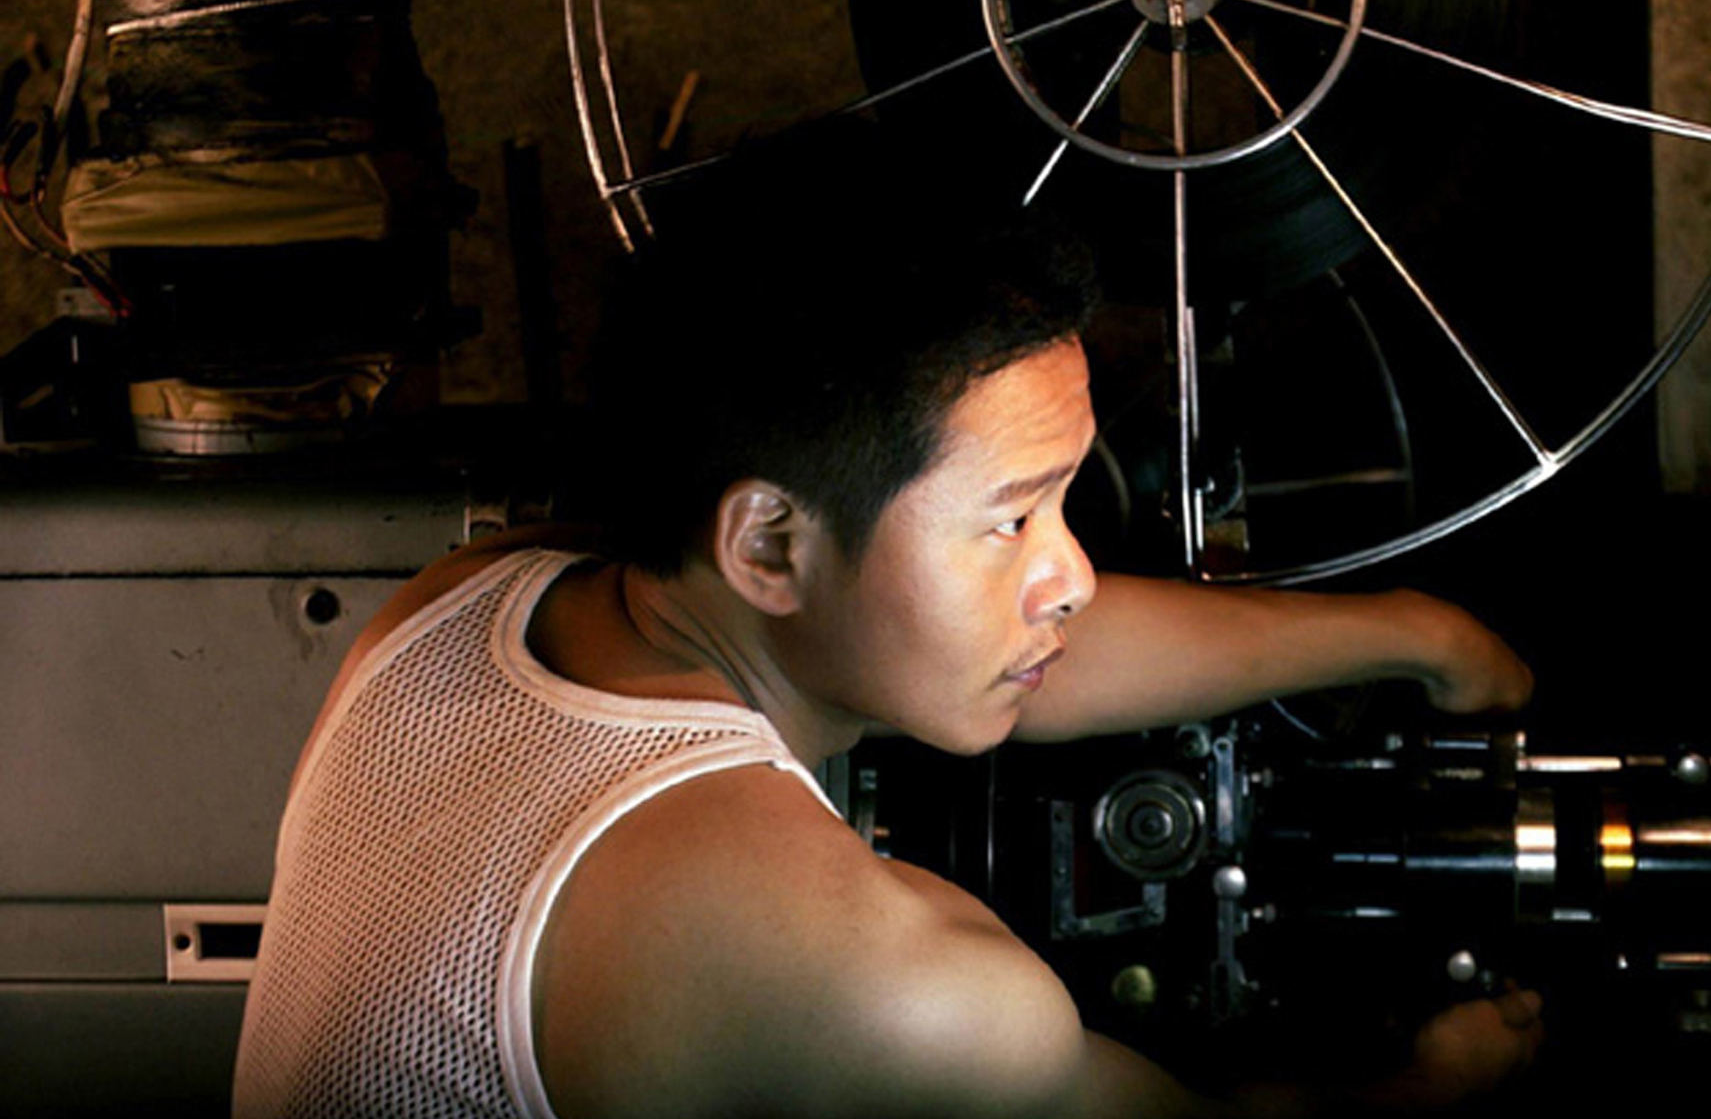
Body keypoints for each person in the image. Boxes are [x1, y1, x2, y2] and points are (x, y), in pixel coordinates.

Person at [233, 135, 1540, 1118]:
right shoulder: (884, 984)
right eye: (1011, 519)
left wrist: (1414, 634)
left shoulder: (464, 602)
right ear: (767, 545)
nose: (1073, 576)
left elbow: (1042, 649)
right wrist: (1420, 1089)